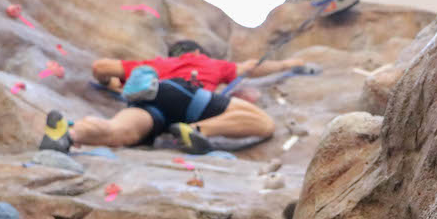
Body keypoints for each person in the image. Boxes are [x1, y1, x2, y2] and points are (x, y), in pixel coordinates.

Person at [39, 40, 305, 154]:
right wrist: (289, 64)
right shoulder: (210, 63)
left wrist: (113, 85)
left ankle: (68, 135)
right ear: (199, 52)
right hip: (187, 97)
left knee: (118, 131)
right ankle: (194, 130)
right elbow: (251, 68)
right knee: (263, 123)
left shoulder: (158, 63)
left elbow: (101, 68)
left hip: (152, 105)